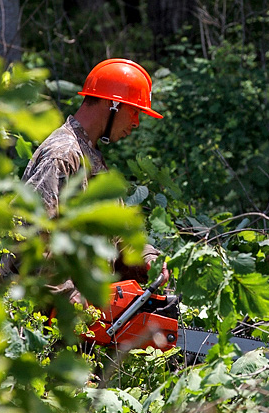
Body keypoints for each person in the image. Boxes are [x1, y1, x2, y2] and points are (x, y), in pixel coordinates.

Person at [23, 58, 166, 302]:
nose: (135, 122)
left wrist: (150, 260)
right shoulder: (63, 155)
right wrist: (74, 303)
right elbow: (31, 238)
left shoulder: (91, 160)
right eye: (133, 111)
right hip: (53, 319)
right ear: (112, 104)